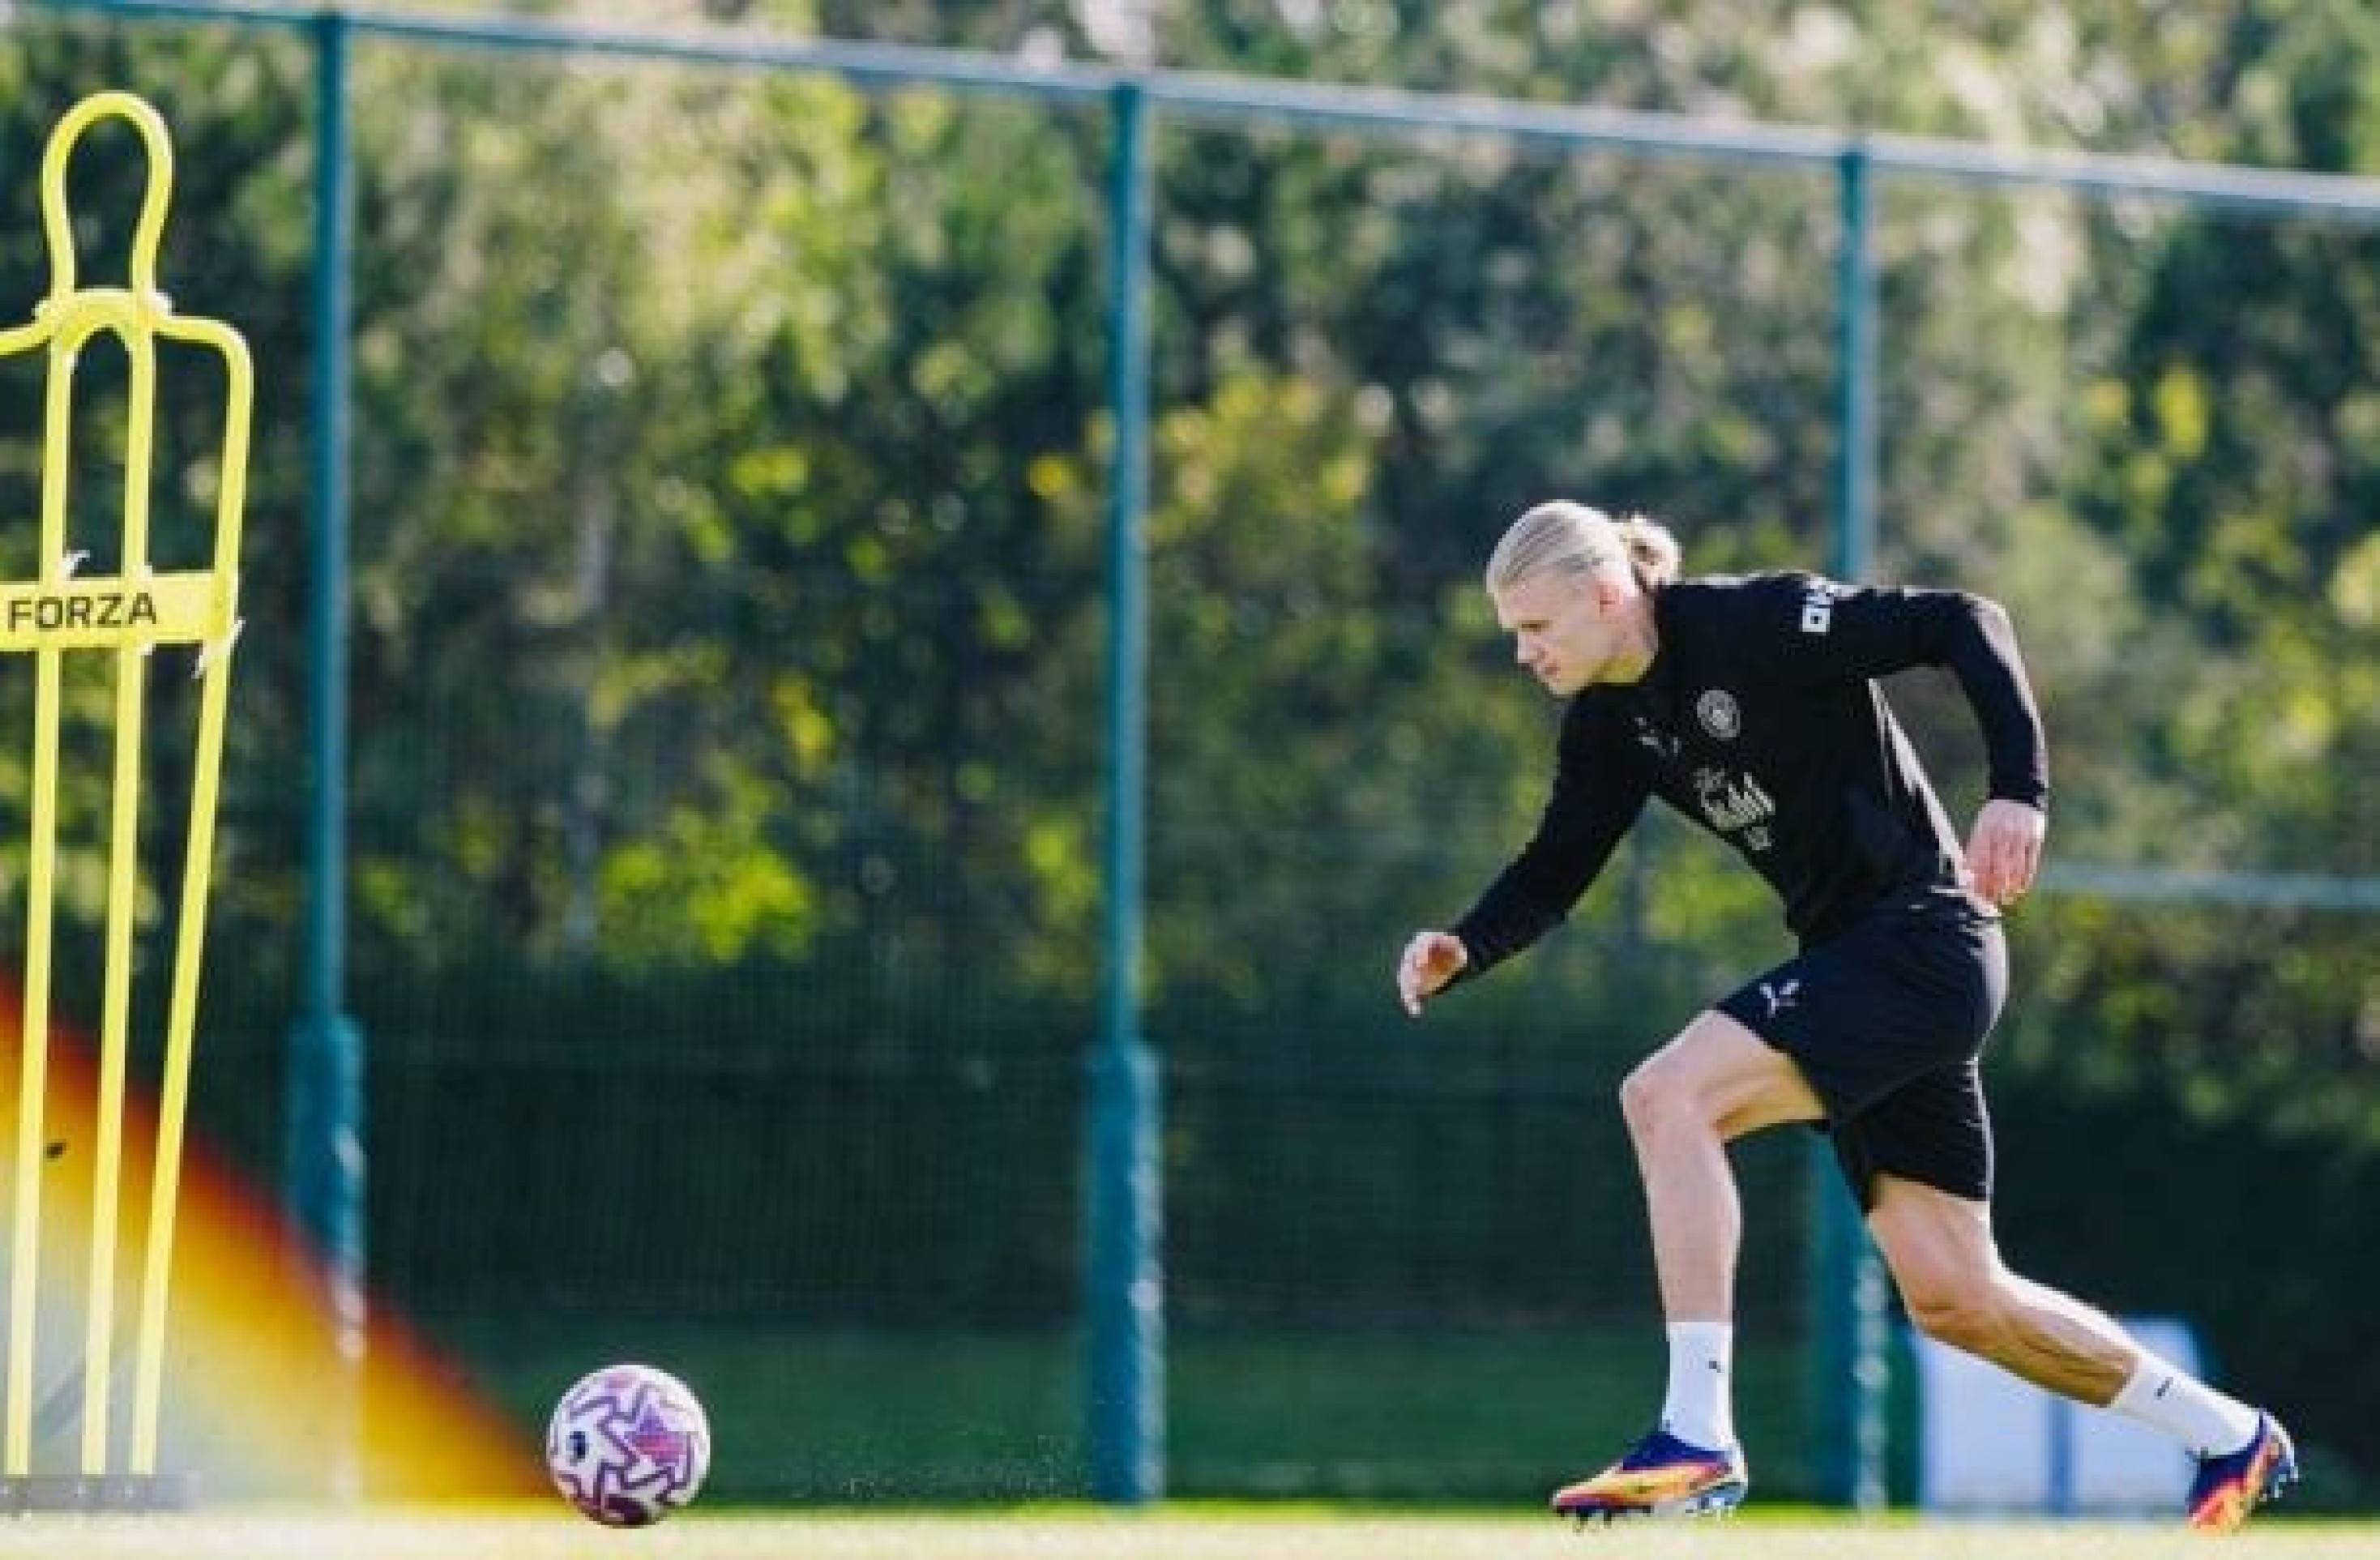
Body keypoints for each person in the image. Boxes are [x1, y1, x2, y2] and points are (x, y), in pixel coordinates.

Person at [1394, 500, 2295, 1532]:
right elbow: (1557, 864)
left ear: (1605, 594)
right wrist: (1467, 945)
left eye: (1536, 626)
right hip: (1867, 967)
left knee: (1667, 1094)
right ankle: (2230, 1431)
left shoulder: (1754, 622)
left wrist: (2019, 789)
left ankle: (1697, 1432)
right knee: (1958, 1298)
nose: (1523, 652)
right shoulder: (1608, 723)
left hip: (1923, 941)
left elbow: (1963, 619)